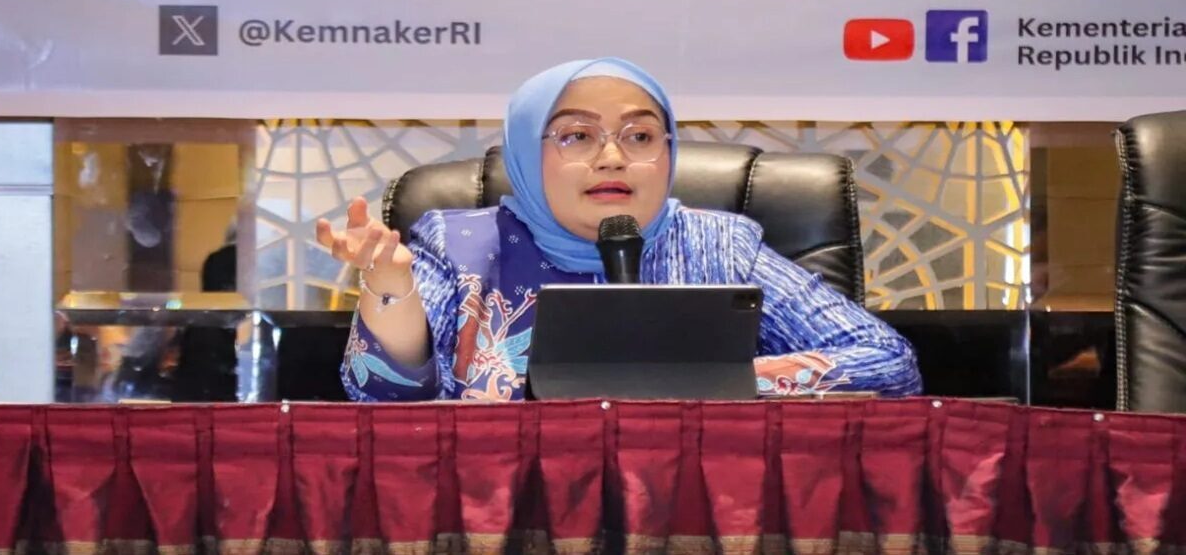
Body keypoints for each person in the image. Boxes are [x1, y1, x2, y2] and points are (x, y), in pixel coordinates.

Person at [317, 58, 922, 402]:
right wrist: (389, 288)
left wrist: (711, 382)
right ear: (527, 152)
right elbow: (382, 400)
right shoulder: (458, 246)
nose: (612, 158)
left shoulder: (718, 246)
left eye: (639, 136)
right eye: (577, 135)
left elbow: (890, 365)